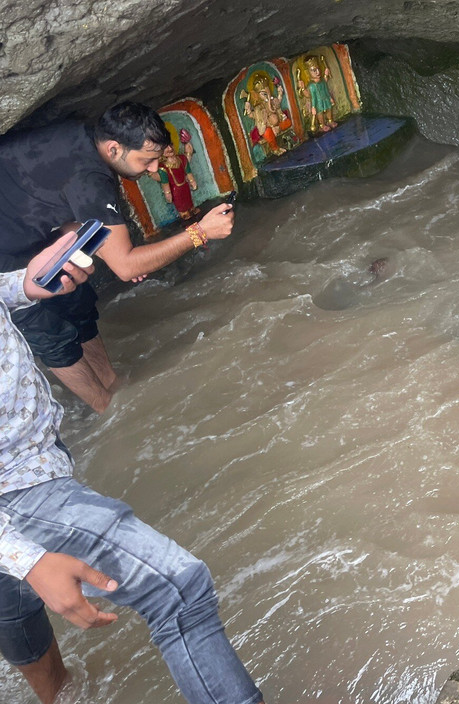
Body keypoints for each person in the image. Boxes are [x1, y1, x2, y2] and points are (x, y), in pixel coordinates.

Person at [0, 237, 263, 704]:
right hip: (16, 485)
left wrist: (22, 285)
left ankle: (57, 695)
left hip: (33, 451)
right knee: (179, 588)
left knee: (15, 604)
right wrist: (27, 557)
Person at [0, 101, 235, 413]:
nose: (154, 169)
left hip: (25, 226)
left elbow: (69, 214)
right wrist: (200, 232)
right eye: (147, 160)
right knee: (47, 328)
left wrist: (123, 256)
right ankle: (108, 409)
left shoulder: (85, 138)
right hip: (5, 252)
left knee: (76, 296)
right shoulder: (89, 177)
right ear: (113, 148)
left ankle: (112, 381)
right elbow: (126, 269)